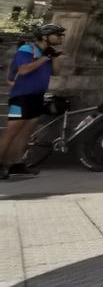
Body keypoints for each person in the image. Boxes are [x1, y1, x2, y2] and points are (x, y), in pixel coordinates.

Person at [1, 23, 66, 180]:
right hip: (21, 97)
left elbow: (56, 72)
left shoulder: (47, 52)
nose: (60, 37)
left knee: (26, 132)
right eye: (57, 34)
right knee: (12, 132)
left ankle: (17, 164)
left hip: (37, 96)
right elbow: (23, 70)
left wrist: (54, 57)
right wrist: (45, 58)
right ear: (45, 36)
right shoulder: (27, 49)